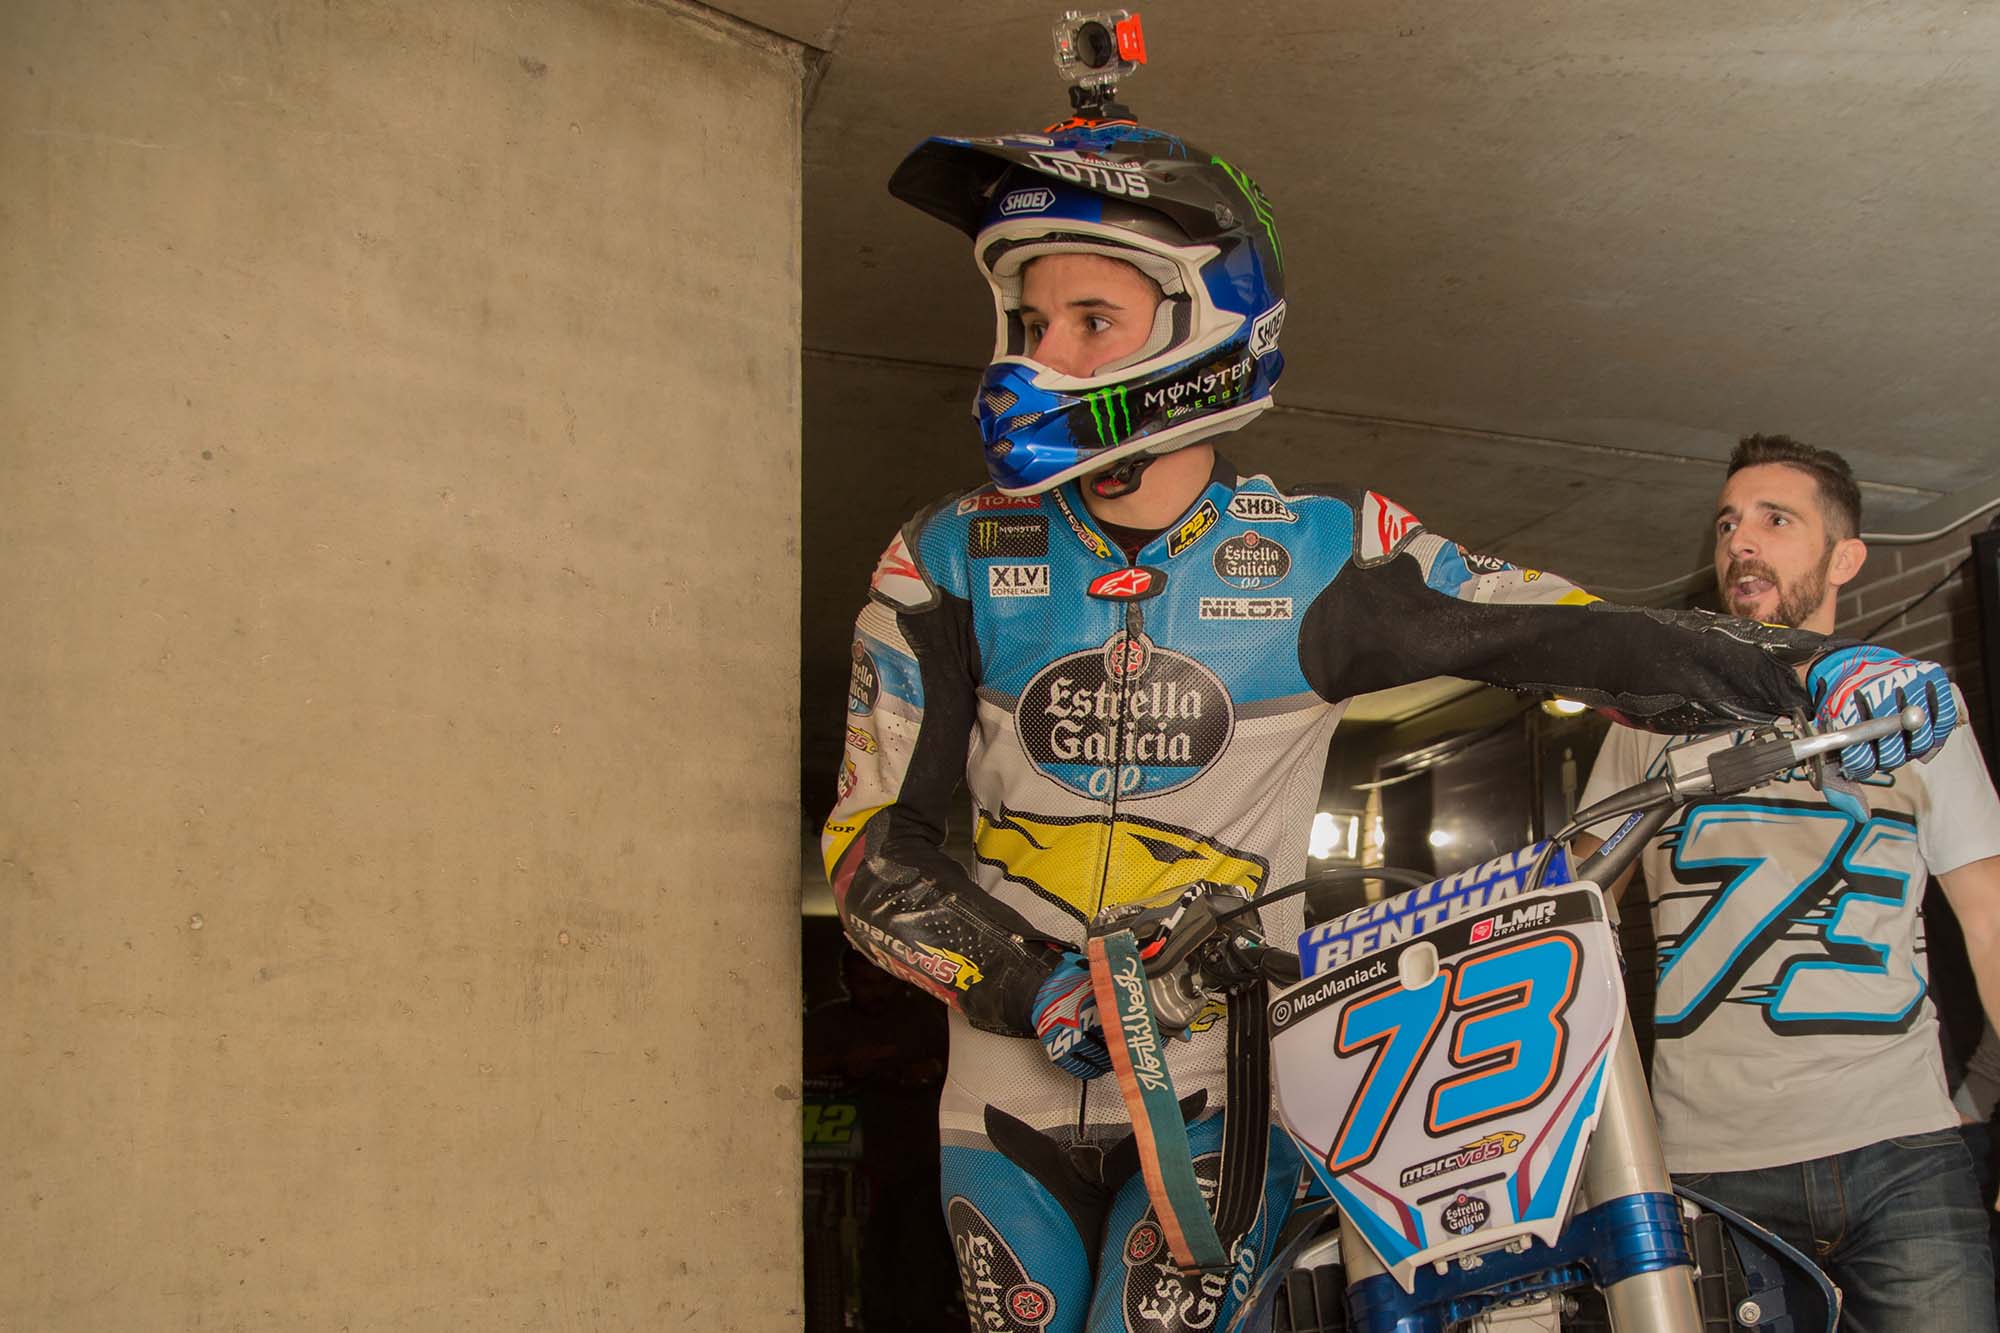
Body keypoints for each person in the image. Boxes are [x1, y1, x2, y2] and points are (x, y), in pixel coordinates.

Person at [820, 114, 1956, 1333]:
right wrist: (1025, 982)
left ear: (1202, 324)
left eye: (1089, 320)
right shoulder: (942, 557)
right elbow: (869, 849)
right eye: (1028, 321)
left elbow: (1581, 635)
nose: (1041, 354)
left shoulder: (1326, 552)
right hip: (997, 1089)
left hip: (1223, 1085)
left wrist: (1818, 671)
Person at [1574, 434, 2000, 1330]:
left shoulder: (1916, 707)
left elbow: (1989, 916)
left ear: (1845, 558)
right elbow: (1572, 919)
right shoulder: (1648, 726)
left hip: (1904, 1152)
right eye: (1728, 523)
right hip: (1705, 1167)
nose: (1741, 541)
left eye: (1776, 520)